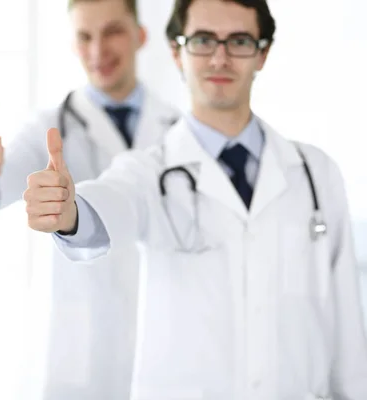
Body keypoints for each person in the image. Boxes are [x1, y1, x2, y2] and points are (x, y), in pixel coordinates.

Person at [23, 0, 367, 398]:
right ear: (176, 52)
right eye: (203, 40)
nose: (219, 58)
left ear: (263, 53)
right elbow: (115, 200)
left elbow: (348, 336)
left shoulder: (316, 174)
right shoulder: (149, 171)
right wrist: (72, 212)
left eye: (238, 40)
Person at [0, 0, 180, 398]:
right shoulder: (48, 128)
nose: (98, 50)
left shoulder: (177, 129)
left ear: (140, 35)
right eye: (85, 36)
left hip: (160, 337)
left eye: (113, 31)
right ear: (72, 44)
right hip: (80, 340)